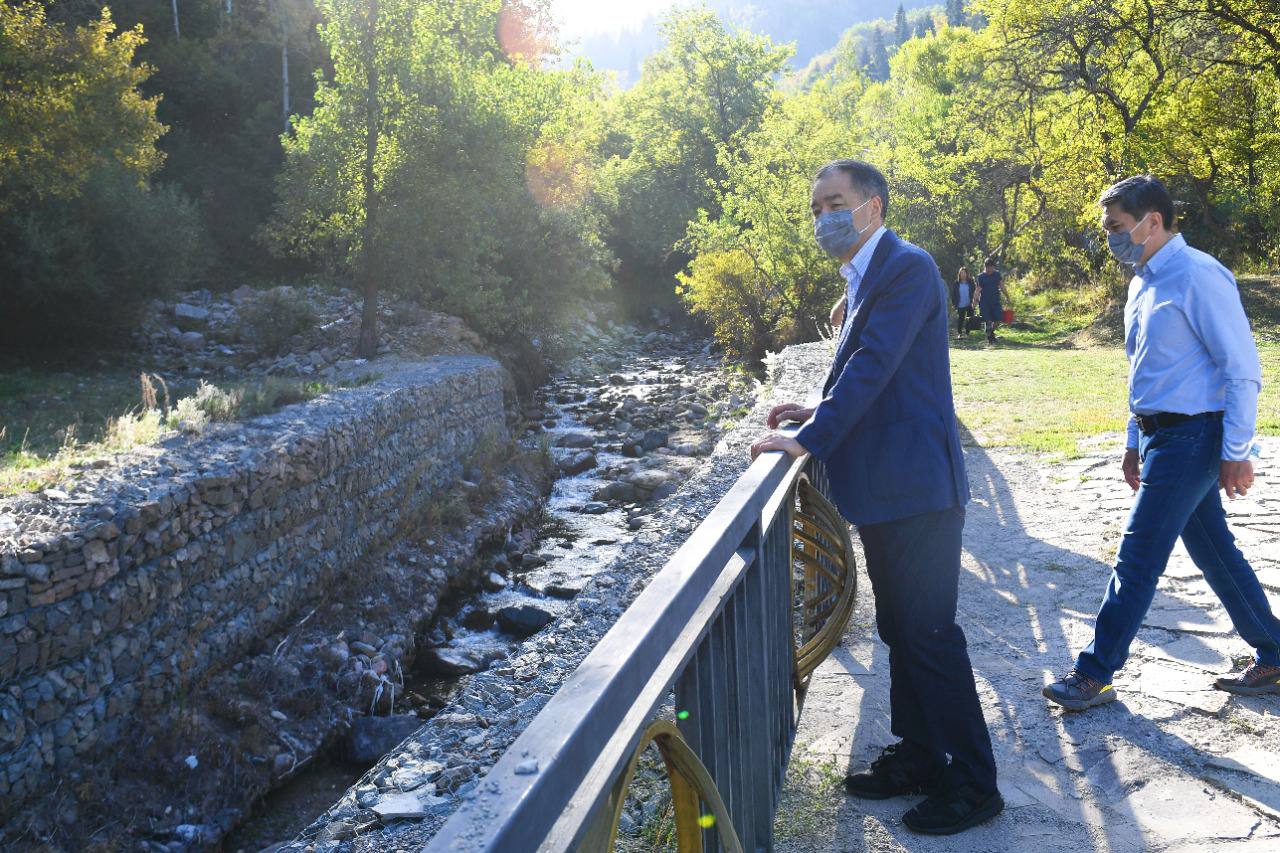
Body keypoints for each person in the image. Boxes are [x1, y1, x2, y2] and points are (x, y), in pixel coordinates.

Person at [751, 159, 1001, 835]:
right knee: (900, 629)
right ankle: (919, 753)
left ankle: (974, 783)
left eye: (835, 203)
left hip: (919, 487)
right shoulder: (865, 275)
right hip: (889, 489)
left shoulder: (907, 267)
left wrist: (809, 440)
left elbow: (874, 364)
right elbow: (871, 373)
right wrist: (816, 410)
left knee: (929, 634)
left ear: (874, 207)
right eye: (816, 208)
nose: (823, 218)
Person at [1043, 175, 1280, 712]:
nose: (1110, 238)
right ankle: (1275, 652)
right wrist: (1134, 439)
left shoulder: (1199, 275)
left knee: (1138, 556)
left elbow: (1242, 369)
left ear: (1153, 221)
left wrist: (1236, 451)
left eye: (1117, 227)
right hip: (1161, 436)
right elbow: (1144, 370)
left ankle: (1094, 673)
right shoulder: (1141, 283)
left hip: (1194, 437)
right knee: (1215, 552)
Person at [975, 258, 1009, 343]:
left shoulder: (997, 274)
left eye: (991, 268)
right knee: (988, 321)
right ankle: (990, 338)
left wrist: (1007, 296)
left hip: (995, 302)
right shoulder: (980, 277)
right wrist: (974, 302)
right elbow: (977, 290)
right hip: (984, 303)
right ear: (985, 267)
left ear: (993, 267)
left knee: (998, 319)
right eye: (988, 268)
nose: (990, 270)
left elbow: (1002, 286)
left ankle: (990, 332)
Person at [951, 266, 976, 339]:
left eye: (964, 273)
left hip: (969, 304)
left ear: (967, 274)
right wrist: (954, 303)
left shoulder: (971, 282)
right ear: (959, 274)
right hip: (960, 304)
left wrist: (975, 301)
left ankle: (967, 333)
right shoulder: (956, 283)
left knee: (969, 319)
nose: (963, 275)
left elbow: (975, 292)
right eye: (961, 273)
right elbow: (953, 294)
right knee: (961, 319)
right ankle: (960, 333)